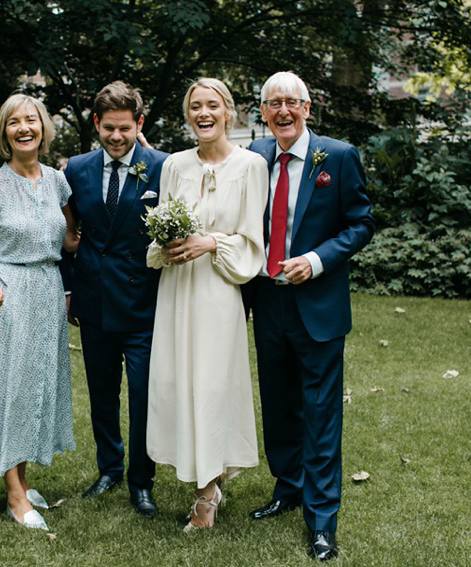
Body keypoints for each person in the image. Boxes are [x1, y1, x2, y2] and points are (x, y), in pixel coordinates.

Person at [246, 71, 374, 560]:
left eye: (291, 102)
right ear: (262, 112)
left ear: (307, 108)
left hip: (317, 303)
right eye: (273, 103)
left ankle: (322, 520)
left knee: (320, 412)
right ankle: (287, 487)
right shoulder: (254, 157)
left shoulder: (337, 157)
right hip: (267, 299)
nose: (282, 110)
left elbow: (361, 222)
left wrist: (317, 260)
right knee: (278, 404)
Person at [0, 93, 79, 531]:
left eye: (31, 120)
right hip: (10, 293)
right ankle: (14, 493)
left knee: (37, 386)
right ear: (4, 133)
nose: (24, 128)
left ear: (43, 127)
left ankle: (21, 479)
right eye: (14, 122)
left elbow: (70, 240)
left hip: (48, 289)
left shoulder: (60, 181)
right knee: (12, 388)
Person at [146, 78, 269, 532]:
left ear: (229, 113)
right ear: (188, 115)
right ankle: (204, 482)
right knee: (180, 384)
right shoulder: (174, 165)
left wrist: (210, 242)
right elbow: (162, 224)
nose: (204, 113)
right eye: (195, 106)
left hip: (218, 290)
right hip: (178, 288)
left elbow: (252, 242)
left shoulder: (252, 166)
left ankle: (207, 495)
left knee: (213, 386)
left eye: (212, 106)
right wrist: (169, 243)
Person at [61, 81, 168, 517]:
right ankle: (109, 468)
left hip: (145, 305)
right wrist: (70, 289)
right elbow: (65, 235)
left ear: (139, 124)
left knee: (142, 396)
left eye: (125, 128)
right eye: (109, 129)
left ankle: (142, 480)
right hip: (94, 302)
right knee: (102, 394)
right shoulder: (76, 169)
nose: (117, 137)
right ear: (96, 125)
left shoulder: (162, 166)